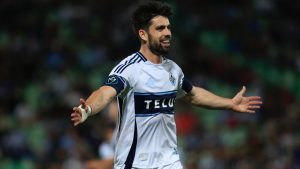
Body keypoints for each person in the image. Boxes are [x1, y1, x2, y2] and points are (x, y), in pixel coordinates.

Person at [71, 1, 262, 169]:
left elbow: (193, 94)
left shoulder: (173, 70)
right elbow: (105, 93)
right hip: (134, 163)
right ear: (143, 34)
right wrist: (87, 109)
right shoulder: (128, 69)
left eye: (168, 28)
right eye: (160, 28)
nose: (168, 33)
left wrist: (230, 103)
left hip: (169, 161)